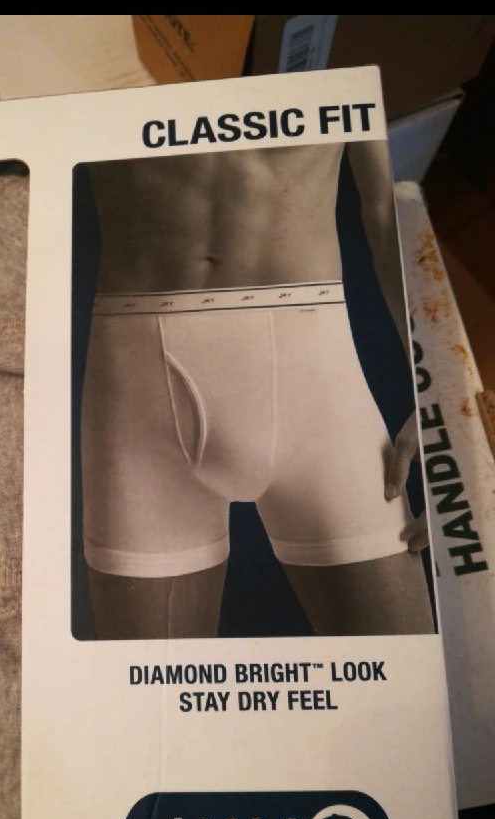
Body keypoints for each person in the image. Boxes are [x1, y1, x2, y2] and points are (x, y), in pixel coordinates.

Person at [80, 141, 432, 639]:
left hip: (314, 381)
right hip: (137, 385)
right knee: (146, 688)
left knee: (404, 676)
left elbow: (387, 213)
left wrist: (441, 395)